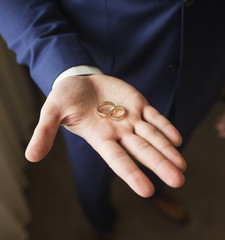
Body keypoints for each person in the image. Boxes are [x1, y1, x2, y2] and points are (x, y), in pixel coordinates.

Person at [0, 0, 225, 239]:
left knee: (167, 153)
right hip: (97, 81)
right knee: (91, 175)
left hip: (199, 75)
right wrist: (67, 70)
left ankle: (156, 192)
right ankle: (101, 222)